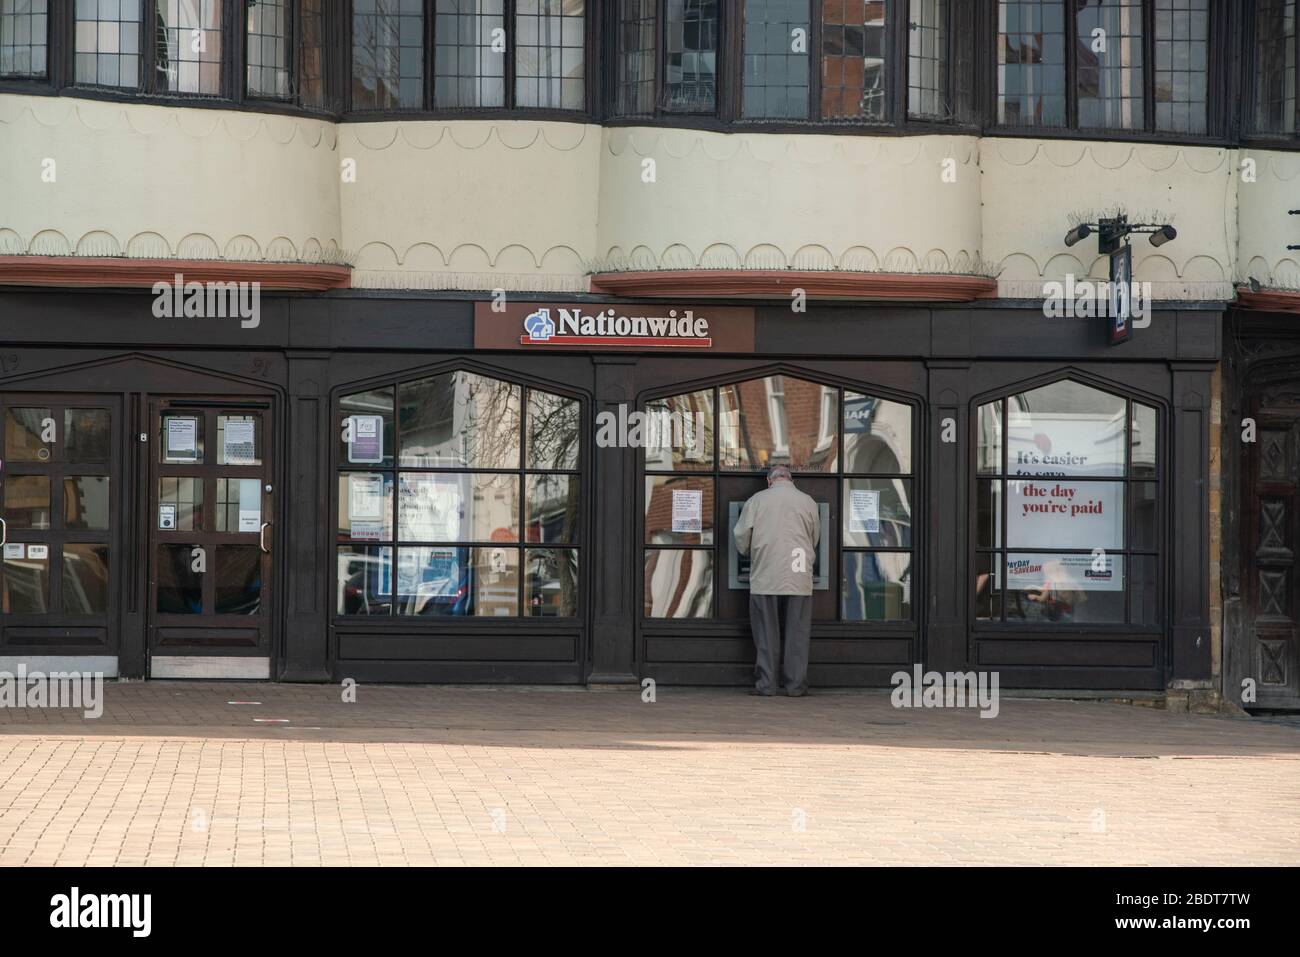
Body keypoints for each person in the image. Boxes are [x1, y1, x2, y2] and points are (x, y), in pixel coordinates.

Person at [733, 465, 820, 696]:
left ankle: (766, 684)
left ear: (769, 480)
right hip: (798, 574)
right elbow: (815, 537)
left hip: (766, 573)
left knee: (766, 632)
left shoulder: (757, 500)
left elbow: (741, 536)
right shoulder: (808, 501)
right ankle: (795, 686)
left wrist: (748, 553)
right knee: (797, 634)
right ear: (791, 479)